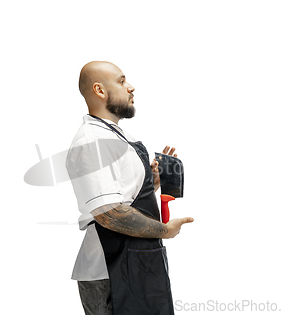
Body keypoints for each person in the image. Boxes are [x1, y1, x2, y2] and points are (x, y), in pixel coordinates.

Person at [66, 61, 194, 315]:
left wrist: (152, 183)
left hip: (139, 261)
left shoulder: (117, 136)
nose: (131, 87)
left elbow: (124, 198)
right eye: (122, 81)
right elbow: (109, 212)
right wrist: (164, 230)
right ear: (100, 91)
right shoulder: (93, 141)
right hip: (111, 269)